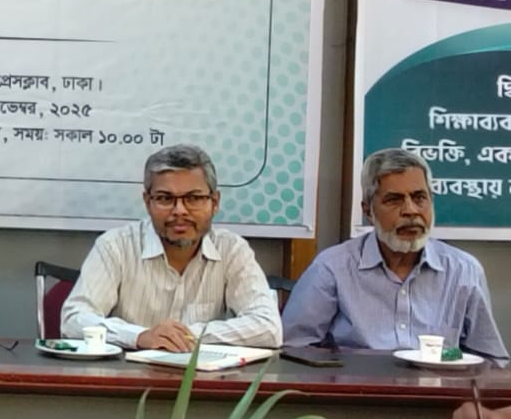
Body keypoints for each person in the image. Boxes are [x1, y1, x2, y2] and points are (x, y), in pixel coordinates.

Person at [282, 147, 506, 358]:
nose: (410, 211)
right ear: (368, 211)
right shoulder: (332, 268)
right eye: (394, 200)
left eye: (419, 198)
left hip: (439, 386)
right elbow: (293, 349)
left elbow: (488, 359)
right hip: (356, 385)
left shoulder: (463, 271)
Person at [62, 143, 281, 349]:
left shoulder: (232, 250)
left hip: (202, 373)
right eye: (165, 198)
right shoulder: (115, 246)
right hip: (129, 372)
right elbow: (73, 319)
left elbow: (268, 327)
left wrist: (186, 336)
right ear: (147, 202)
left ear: (214, 203)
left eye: (193, 198)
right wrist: (139, 336)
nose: (180, 211)